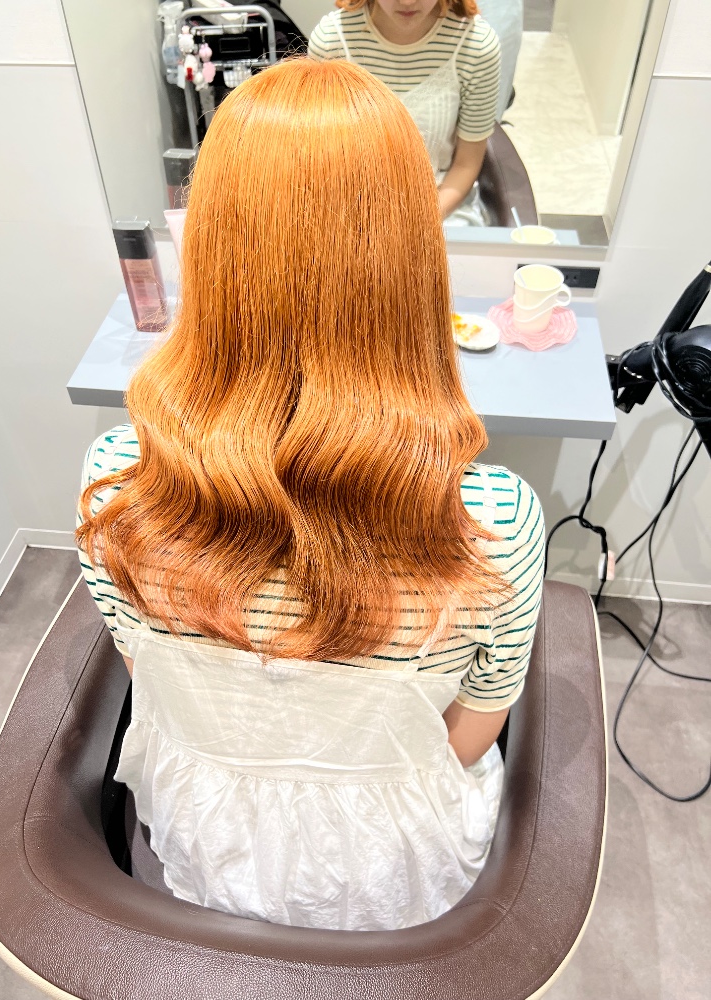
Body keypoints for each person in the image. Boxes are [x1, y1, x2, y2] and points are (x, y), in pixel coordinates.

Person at [77, 58, 544, 932]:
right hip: (392, 853)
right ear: (412, 259)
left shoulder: (116, 483)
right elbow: (475, 726)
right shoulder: (493, 522)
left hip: (207, 831)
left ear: (209, 247)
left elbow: (149, 672)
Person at [308, 0, 501, 224]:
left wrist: (418, 223)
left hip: (439, 208)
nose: (407, 2)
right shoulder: (332, 42)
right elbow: (323, 159)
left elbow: (466, 164)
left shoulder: (476, 45)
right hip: (350, 206)